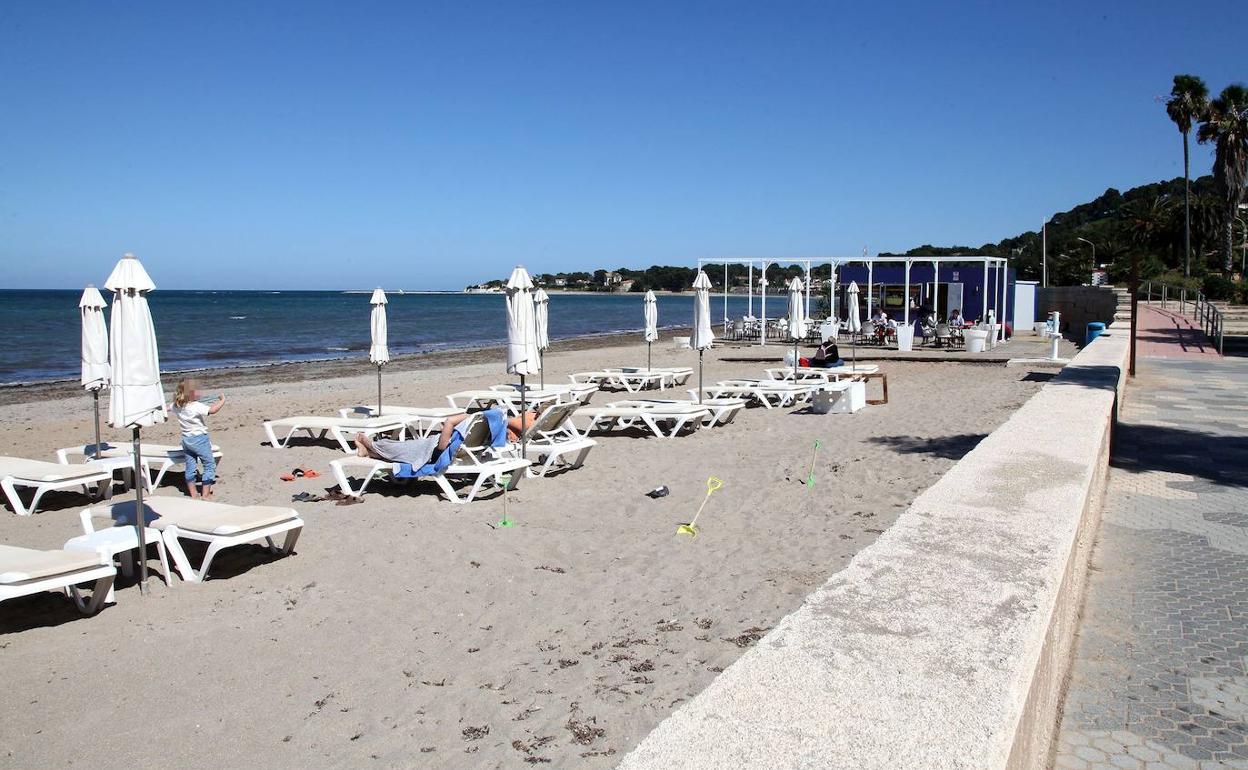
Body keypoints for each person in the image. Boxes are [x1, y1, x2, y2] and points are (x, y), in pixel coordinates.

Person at [354, 408, 538, 465]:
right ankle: (369, 451)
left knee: (399, 449)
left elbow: (449, 421)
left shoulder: (489, 418)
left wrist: (442, 447)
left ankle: (365, 442)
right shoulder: (499, 423)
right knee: (401, 450)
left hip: (441, 449)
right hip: (463, 449)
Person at [171, 379, 225, 499]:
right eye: (197, 391)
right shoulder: (195, 406)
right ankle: (205, 494)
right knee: (209, 465)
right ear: (191, 393)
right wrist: (222, 400)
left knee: (191, 465)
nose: (200, 393)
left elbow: (167, 408)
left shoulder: (177, 405)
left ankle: (193, 493)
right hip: (199, 439)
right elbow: (212, 410)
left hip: (186, 440)